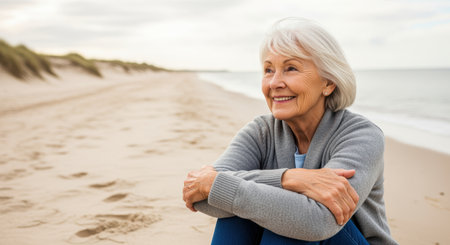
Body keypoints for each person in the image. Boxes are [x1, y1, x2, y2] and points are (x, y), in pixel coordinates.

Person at [182, 17, 398, 244]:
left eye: (291, 68)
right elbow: (201, 198)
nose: (274, 82)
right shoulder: (260, 131)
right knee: (239, 211)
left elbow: (318, 222)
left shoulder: (361, 136)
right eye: (268, 70)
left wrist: (219, 184)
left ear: (328, 83)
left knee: (286, 219)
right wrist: (289, 179)